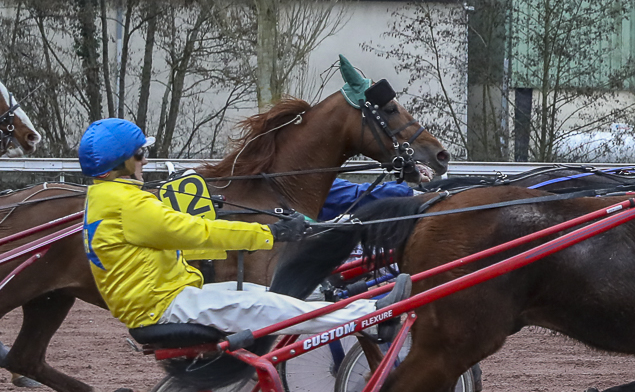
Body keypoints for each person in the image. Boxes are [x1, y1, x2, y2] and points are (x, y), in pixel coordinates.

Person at [78, 118, 410, 338]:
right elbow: (199, 232)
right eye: (140, 154)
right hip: (163, 306)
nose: (146, 161)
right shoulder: (128, 205)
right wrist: (270, 234)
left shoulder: (105, 197)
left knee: (263, 297)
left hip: (162, 299)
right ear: (120, 163)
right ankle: (370, 316)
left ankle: (363, 315)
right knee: (265, 308)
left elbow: (187, 236)